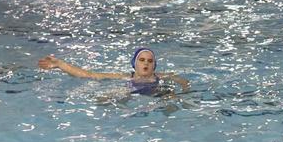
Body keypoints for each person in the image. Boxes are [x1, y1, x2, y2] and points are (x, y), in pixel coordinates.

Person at [38, 48, 190, 96]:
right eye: (142, 60)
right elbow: (89, 75)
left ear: (154, 66)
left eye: (150, 61)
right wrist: (60, 64)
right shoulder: (124, 77)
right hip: (131, 92)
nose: (146, 63)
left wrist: (185, 90)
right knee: (107, 97)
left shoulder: (162, 76)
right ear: (134, 64)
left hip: (156, 93)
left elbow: (184, 81)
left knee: (171, 97)